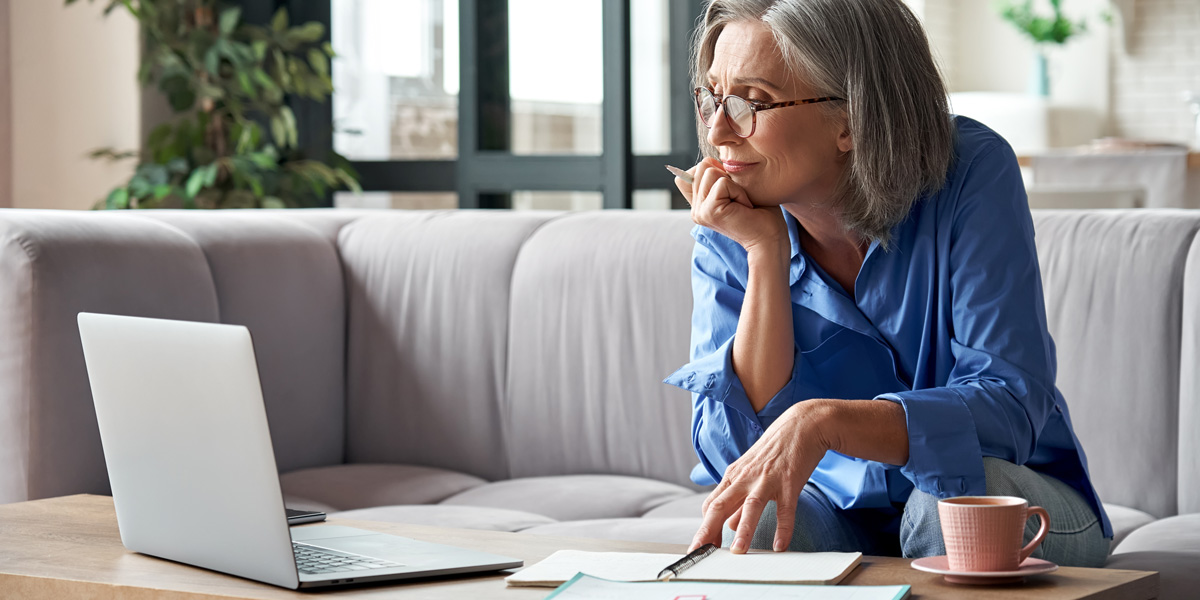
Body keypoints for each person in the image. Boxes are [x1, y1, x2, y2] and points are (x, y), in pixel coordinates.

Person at [662, 0, 1112, 567]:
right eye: (712, 97)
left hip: (1011, 494)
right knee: (766, 517)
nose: (719, 131)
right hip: (843, 512)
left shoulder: (971, 169)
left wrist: (826, 421)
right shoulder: (733, 216)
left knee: (946, 504)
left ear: (852, 118)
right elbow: (738, 453)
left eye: (753, 102)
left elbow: (1009, 408)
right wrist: (765, 253)